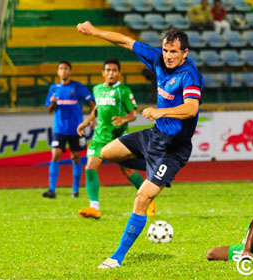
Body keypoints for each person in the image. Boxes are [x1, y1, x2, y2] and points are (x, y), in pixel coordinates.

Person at [76, 22, 203, 268]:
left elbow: (191, 108)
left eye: (174, 52)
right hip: (154, 137)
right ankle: (153, 172)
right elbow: (124, 41)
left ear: (185, 53)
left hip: (173, 149)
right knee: (106, 153)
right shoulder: (157, 59)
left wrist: (161, 112)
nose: (168, 56)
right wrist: (95, 32)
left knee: (142, 198)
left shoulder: (189, 74)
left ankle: (116, 257)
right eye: (166, 50)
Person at [77, 58, 157, 219]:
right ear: (103, 73)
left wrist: (123, 120)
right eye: (108, 70)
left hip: (119, 138)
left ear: (119, 73)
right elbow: (97, 110)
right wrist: (85, 122)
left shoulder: (124, 90)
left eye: (114, 70)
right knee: (90, 167)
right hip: (100, 136)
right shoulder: (97, 89)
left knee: (127, 171)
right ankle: (95, 208)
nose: (111, 73)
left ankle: (149, 200)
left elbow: (133, 114)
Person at [43, 61, 95, 199]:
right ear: (58, 72)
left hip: (76, 129)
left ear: (70, 72)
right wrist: (53, 102)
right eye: (61, 68)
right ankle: (51, 190)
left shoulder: (77, 87)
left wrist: (93, 119)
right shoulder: (53, 89)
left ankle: (75, 189)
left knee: (76, 157)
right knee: (55, 155)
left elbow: (91, 101)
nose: (64, 71)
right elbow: (49, 109)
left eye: (66, 69)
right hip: (59, 128)